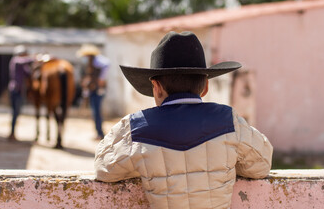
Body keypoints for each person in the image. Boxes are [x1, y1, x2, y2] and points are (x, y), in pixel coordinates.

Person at [94, 31, 273, 209]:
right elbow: (262, 165)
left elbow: (103, 169)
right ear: (205, 87)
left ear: (156, 88)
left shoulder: (136, 127)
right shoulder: (228, 120)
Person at [77, 44, 110, 140]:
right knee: (95, 112)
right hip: (93, 89)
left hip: (97, 90)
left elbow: (107, 65)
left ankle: (100, 133)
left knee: (97, 112)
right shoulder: (91, 63)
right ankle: (98, 132)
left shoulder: (98, 61)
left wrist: (101, 79)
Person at [8, 45, 33, 141]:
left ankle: (13, 132)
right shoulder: (15, 61)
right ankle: (12, 133)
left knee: (17, 112)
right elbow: (25, 61)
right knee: (15, 112)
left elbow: (28, 74)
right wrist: (36, 58)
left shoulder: (23, 67)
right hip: (15, 90)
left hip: (20, 90)